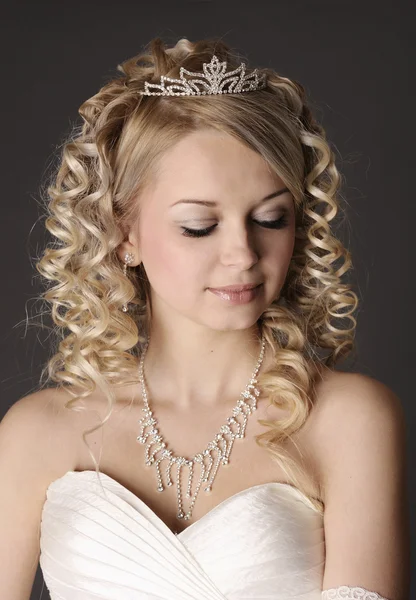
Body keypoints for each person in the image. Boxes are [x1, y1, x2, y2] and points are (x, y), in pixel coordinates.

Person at [0, 36, 409, 600]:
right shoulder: (36, 434)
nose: (243, 253)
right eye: (199, 226)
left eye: (271, 218)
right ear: (124, 235)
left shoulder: (349, 420)